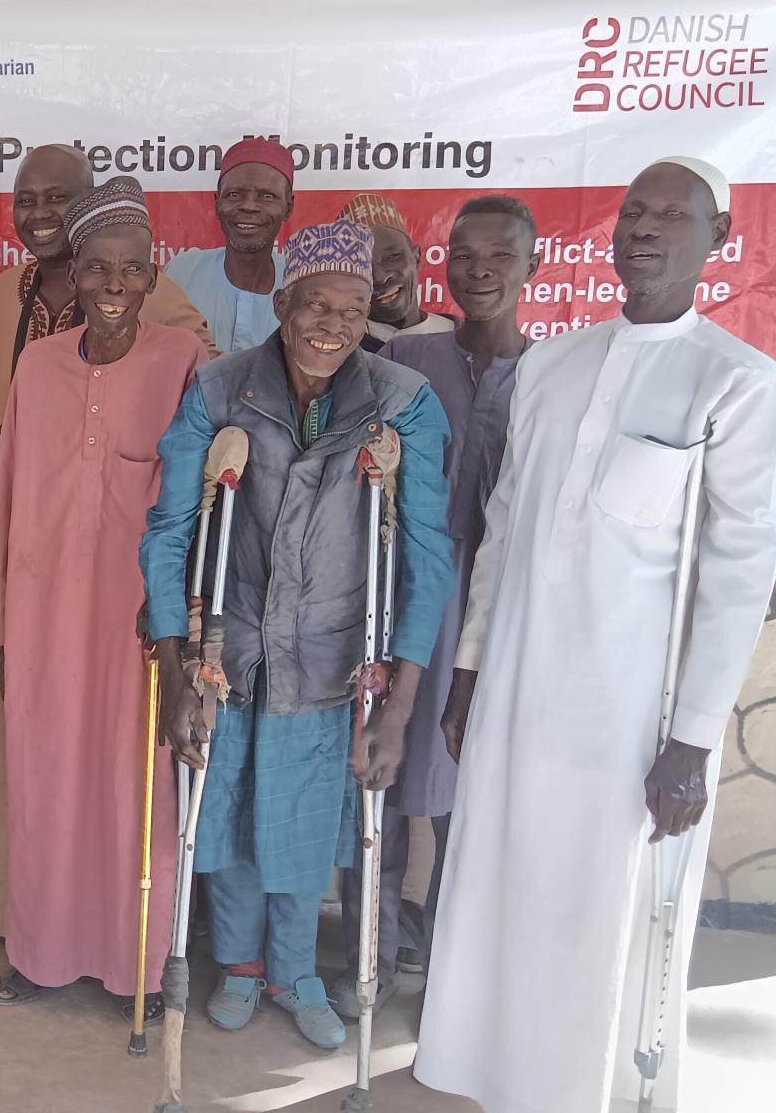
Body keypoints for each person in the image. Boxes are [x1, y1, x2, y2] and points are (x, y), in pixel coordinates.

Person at [414, 158, 776, 1113]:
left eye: (674, 217)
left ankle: (561, 1106)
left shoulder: (737, 385)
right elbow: (502, 529)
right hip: (515, 693)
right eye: (633, 211)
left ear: (716, 239)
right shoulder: (552, 366)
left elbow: (733, 571)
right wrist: (467, 671)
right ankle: (480, 1063)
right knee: (499, 884)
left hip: (624, 711)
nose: (646, 228)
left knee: (589, 906)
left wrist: (692, 740)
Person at [141, 219, 454, 1051]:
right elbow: (169, 531)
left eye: (351, 309)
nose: (331, 324)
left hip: (333, 659)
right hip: (230, 654)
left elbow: (429, 554)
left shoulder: (400, 402)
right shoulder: (218, 389)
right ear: (282, 303)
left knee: (306, 825)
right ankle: (240, 965)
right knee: (231, 813)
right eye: (315, 303)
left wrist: (401, 706)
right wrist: (174, 671)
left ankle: (296, 970)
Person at [0, 144, 211, 935]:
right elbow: (4, 507)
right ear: (78, 266)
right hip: (43, 618)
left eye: (129, 270)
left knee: (134, 784)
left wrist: (187, 624)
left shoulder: (183, 360)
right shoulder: (35, 366)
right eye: (96, 267)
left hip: (138, 623)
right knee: (45, 779)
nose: (111, 285)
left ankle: (131, 962)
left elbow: (196, 507)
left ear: (150, 273)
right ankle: (41, 953)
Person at [338, 194, 540, 1016]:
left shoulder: (551, 374)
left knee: (469, 791)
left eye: (499, 256)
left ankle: (457, 974)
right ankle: (368, 960)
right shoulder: (405, 357)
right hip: (392, 592)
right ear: (443, 263)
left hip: (498, 609)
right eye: (465, 255)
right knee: (374, 775)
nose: (480, 270)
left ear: (532, 265)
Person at [163, 135, 296, 354]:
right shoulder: (181, 272)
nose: (249, 207)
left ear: (288, 207)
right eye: (234, 194)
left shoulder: (300, 284)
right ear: (217, 203)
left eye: (267, 196)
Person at [337, 192, 457, 351]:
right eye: (361, 265)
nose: (379, 277)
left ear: (416, 258)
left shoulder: (462, 339)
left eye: (392, 257)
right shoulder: (342, 352)